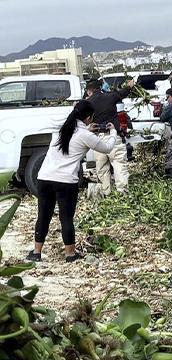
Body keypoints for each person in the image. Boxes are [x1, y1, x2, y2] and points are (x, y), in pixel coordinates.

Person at [27, 100, 116, 263]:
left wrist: (87, 129)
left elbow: (76, 136)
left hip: (44, 178)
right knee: (66, 217)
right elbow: (107, 148)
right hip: (65, 181)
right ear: (89, 118)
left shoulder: (62, 130)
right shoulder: (86, 135)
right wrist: (113, 132)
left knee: (43, 216)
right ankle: (70, 254)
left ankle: (36, 252)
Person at [86, 78, 134, 196]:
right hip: (113, 136)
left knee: (102, 167)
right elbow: (122, 93)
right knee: (118, 164)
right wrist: (129, 86)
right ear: (100, 88)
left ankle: (106, 192)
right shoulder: (110, 96)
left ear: (88, 91)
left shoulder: (88, 103)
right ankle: (122, 193)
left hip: (98, 138)